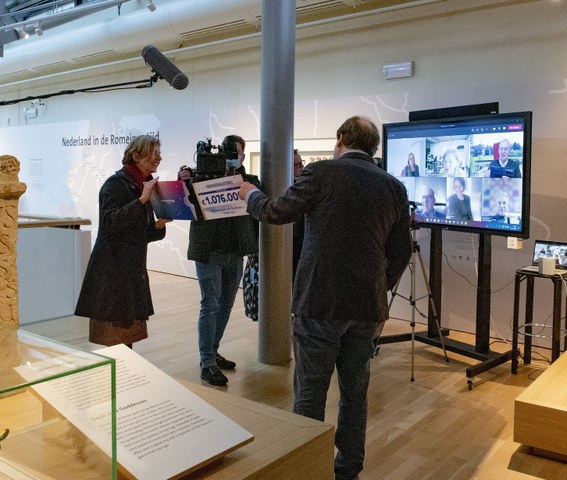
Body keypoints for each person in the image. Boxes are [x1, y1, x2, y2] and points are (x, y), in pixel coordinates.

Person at [239, 116, 412, 480]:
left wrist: (249, 195)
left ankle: (308, 469)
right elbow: (401, 252)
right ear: (373, 146)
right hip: (367, 309)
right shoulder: (394, 187)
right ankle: (347, 471)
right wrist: (380, 286)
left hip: (319, 303)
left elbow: (275, 212)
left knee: (310, 393)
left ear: (340, 139)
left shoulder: (322, 174)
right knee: (355, 394)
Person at [178, 134, 261, 387]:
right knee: (210, 305)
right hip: (209, 252)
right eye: (226, 153)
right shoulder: (201, 178)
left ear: (243, 156)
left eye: (234, 153)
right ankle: (207, 362)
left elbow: (258, 203)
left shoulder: (250, 181)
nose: (230, 158)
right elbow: (184, 203)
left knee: (224, 306)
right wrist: (186, 181)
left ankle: (212, 352)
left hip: (235, 251)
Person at [75, 135, 171, 348]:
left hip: (130, 272)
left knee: (126, 338)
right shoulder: (116, 184)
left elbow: (138, 233)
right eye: (154, 153)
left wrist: (158, 225)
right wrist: (141, 201)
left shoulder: (139, 185)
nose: (159, 158)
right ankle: (115, 379)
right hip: (114, 273)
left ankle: (124, 378)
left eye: (159, 153)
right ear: (137, 155)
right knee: (116, 338)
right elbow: (110, 223)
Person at [292, 148, 304, 280]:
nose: (301, 168)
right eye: (297, 165)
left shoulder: (304, 187)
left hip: (301, 243)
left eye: (301, 164)